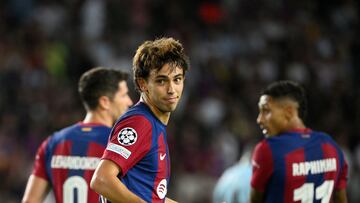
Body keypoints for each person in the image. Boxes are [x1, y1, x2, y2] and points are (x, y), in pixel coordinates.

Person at [90, 37, 190, 203]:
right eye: (161, 81)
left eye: (177, 79)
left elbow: (155, 199)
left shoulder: (153, 124)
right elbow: (102, 180)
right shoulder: (140, 122)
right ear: (143, 84)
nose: (171, 89)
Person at [22, 67, 133, 203]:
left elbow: (29, 201)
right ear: (104, 102)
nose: (129, 102)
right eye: (124, 95)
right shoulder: (120, 143)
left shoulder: (52, 143)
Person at [250, 80, 348, 203]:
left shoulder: (268, 150)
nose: (259, 119)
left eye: (266, 110)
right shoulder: (331, 146)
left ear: (289, 112)